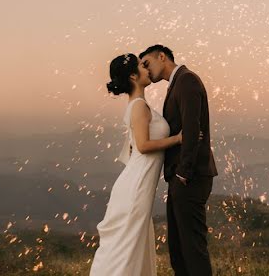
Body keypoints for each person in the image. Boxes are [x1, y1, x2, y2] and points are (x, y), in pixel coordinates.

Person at [90, 53, 183, 276]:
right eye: (143, 66)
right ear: (133, 75)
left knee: (130, 246)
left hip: (136, 183)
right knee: (125, 248)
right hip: (136, 187)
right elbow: (143, 145)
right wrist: (179, 139)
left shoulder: (138, 105)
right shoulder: (139, 106)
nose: (147, 69)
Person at [140, 45, 217, 276]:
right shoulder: (178, 83)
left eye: (147, 63)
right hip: (180, 178)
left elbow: (192, 129)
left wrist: (183, 173)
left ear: (161, 57)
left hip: (189, 178)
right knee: (179, 250)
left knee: (192, 250)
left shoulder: (187, 80)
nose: (145, 69)